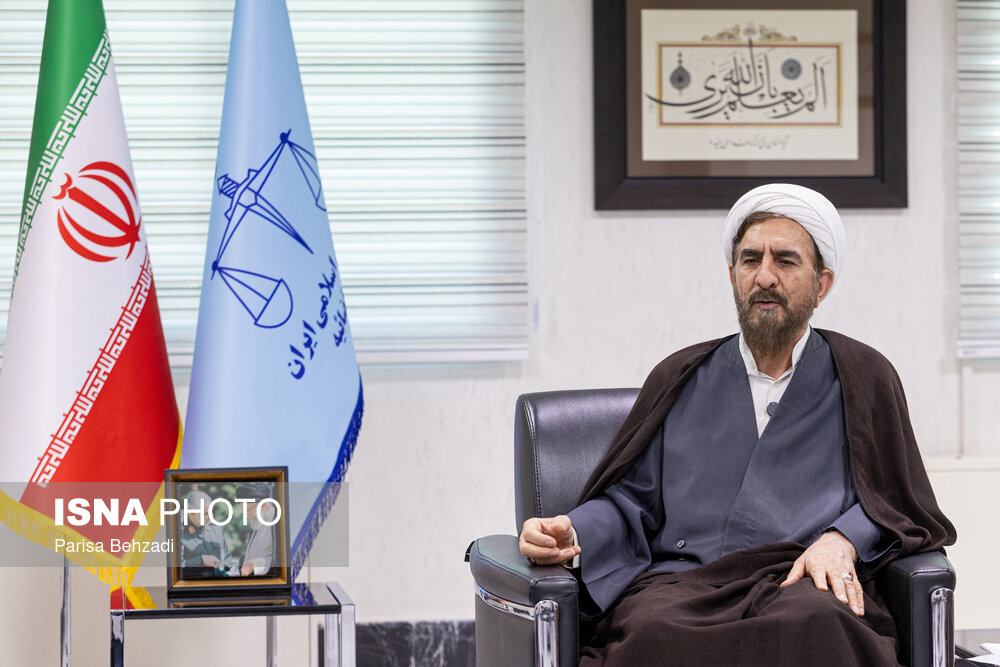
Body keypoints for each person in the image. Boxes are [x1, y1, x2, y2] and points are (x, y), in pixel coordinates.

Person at [518, 184, 956, 667]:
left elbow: (894, 501)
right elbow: (631, 503)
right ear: (732, 275)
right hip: (685, 582)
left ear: (822, 284)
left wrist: (842, 540)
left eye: (785, 261)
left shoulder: (863, 375)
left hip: (801, 581)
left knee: (820, 622)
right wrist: (571, 530)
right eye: (750, 260)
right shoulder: (680, 376)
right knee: (651, 631)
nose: (764, 276)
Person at [179, 489, 235, 577]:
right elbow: (175, 570)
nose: (210, 516)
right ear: (191, 513)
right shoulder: (178, 535)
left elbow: (227, 559)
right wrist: (201, 560)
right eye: (205, 513)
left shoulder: (217, 529)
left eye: (211, 511)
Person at [235, 482, 277, 576]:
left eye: (248, 510)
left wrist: (255, 564)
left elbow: (281, 560)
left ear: (263, 505)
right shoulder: (258, 521)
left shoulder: (277, 524)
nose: (246, 515)